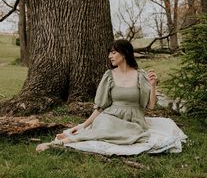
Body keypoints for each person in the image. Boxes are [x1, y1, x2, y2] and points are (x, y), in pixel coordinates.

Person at [36, 39, 187, 154]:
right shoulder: (109, 76)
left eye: (113, 52)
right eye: (110, 53)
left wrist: (153, 86)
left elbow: (151, 106)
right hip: (110, 116)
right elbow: (101, 106)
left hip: (133, 119)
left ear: (125, 53)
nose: (110, 56)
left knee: (124, 133)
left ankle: (74, 139)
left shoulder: (141, 76)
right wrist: (84, 125)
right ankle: (58, 143)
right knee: (104, 126)